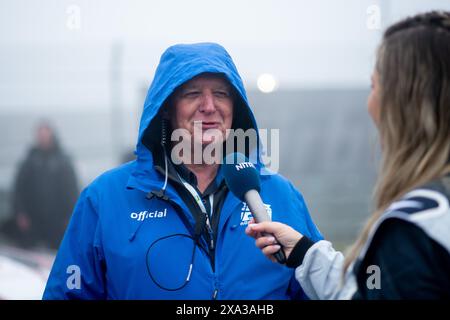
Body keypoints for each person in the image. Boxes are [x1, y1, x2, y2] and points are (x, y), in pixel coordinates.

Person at [43, 42, 323, 299]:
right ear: (166, 109)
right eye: (193, 94)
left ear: (235, 108)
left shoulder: (281, 193)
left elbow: (319, 289)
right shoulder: (104, 199)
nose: (209, 107)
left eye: (221, 94)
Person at [246, 11, 450, 300]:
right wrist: (305, 253)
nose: (369, 103)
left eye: (374, 86)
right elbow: (370, 290)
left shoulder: (415, 229)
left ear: (405, 104)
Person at [5, 121, 79, 250]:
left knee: (58, 252)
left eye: (45, 135)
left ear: (52, 136)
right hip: (33, 219)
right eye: (40, 135)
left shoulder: (63, 160)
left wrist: (70, 216)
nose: (43, 138)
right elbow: (19, 189)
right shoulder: (29, 161)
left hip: (57, 219)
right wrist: (20, 213)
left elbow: (72, 190)